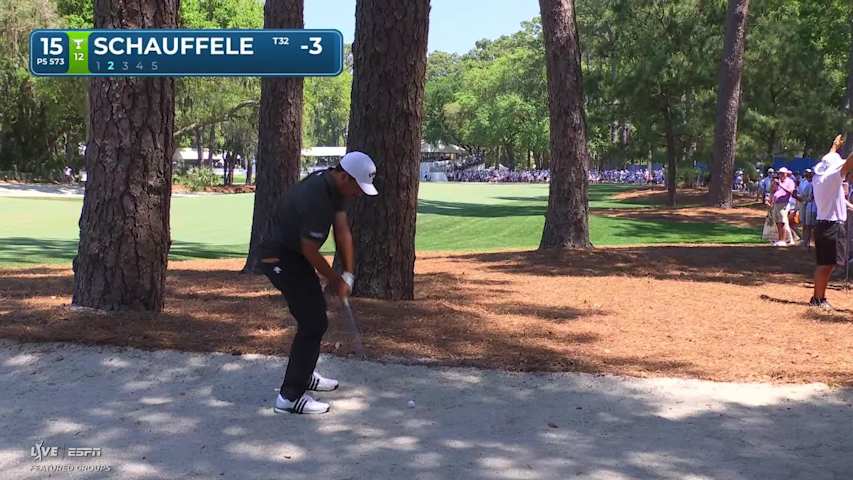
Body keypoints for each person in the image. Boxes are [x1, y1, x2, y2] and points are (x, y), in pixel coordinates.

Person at [257, 151, 378, 414]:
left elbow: (342, 230)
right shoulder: (316, 199)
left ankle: (305, 373)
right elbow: (311, 249)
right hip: (278, 257)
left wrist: (349, 273)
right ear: (345, 176)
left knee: (313, 316)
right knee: (313, 322)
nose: (359, 193)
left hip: (293, 255)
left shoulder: (334, 187)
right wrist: (335, 280)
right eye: (358, 187)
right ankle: (290, 397)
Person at [809, 135, 853, 310]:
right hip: (832, 225)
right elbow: (849, 162)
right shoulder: (833, 177)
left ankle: (819, 297)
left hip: (823, 223)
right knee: (827, 265)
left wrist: (834, 146)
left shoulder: (819, 177)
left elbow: (829, 158)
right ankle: (818, 299)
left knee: (825, 264)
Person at [768, 167, 796, 246]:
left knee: (783, 221)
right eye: (779, 173)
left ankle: (783, 240)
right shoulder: (778, 181)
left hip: (784, 203)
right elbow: (773, 191)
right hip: (776, 203)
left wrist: (780, 185)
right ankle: (780, 239)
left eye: (782, 173)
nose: (781, 175)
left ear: (786, 174)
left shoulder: (790, 182)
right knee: (777, 221)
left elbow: (791, 191)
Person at [799, 169, 817, 247]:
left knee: (810, 226)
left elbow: (804, 196)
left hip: (813, 207)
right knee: (808, 226)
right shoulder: (810, 184)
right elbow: (804, 195)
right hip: (811, 206)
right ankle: (807, 242)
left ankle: (808, 242)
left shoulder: (813, 184)